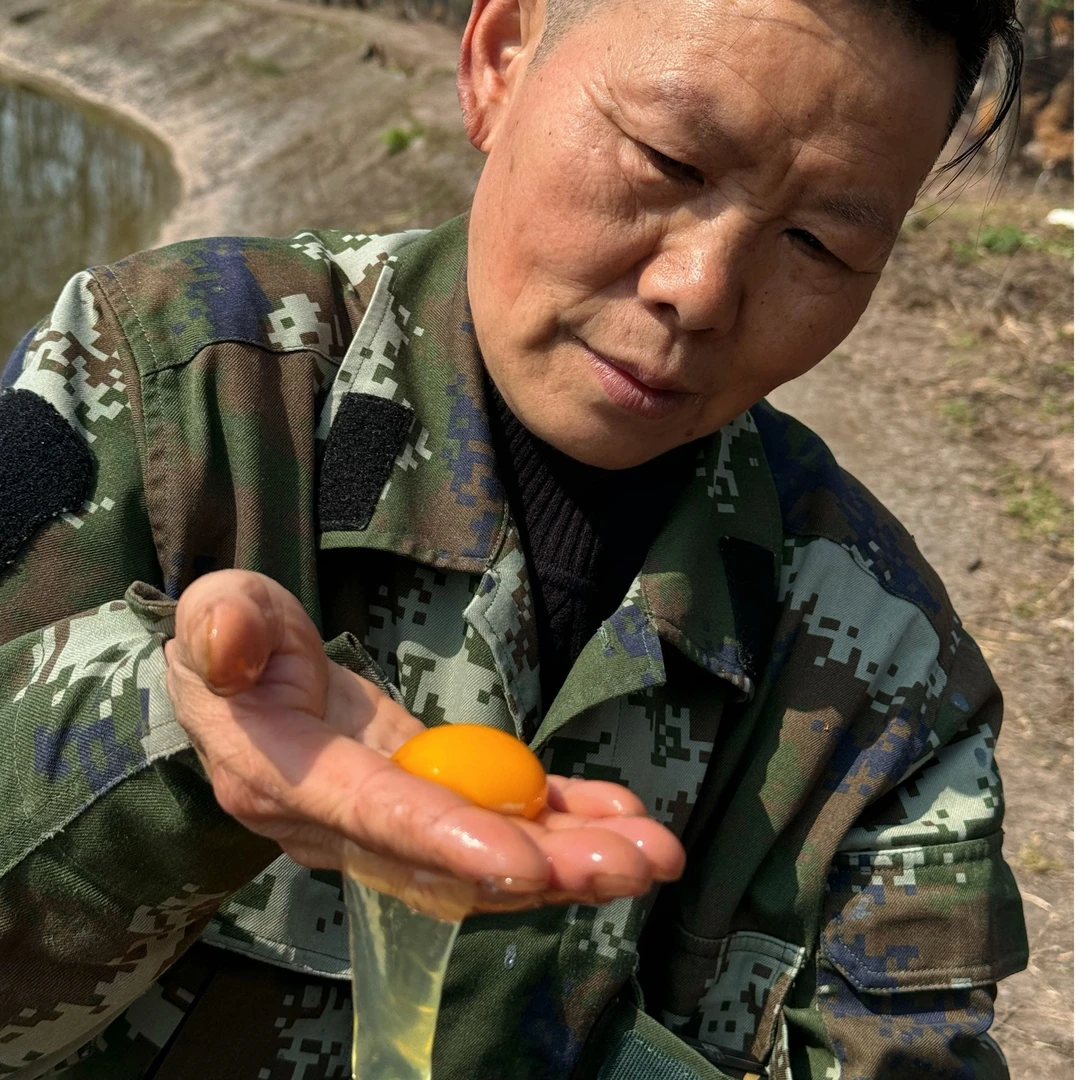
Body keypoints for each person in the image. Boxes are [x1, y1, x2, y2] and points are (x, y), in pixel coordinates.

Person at [0, 0, 1030, 1075]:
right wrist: (163, 748)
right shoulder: (162, 394)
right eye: (670, 160)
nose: (701, 292)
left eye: (819, 242)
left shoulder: (888, 681)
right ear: (500, 60)